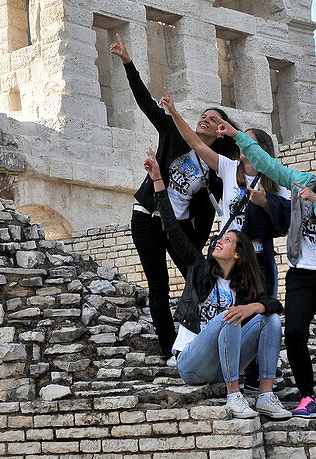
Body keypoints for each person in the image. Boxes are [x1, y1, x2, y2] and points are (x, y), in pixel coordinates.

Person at [217, 119, 316, 430]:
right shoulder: (304, 181)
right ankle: (308, 397)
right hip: (303, 272)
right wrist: (239, 138)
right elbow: (270, 166)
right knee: (295, 332)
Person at [108, 34, 237, 358]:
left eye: (212, 120)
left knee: (200, 277)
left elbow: (216, 206)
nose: (204, 120)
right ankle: (170, 352)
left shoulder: (217, 166)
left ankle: (204, 338)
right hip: (148, 217)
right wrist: (128, 62)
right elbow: (145, 103)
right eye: (203, 116)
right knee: (158, 285)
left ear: (220, 131)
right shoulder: (172, 132)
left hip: (178, 228)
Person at [144, 150, 290, 420]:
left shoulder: (244, 283)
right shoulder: (198, 269)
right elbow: (172, 228)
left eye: (227, 241)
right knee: (230, 316)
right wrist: (157, 180)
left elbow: (274, 304)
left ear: (238, 254)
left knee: (268, 319)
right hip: (192, 362)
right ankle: (234, 396)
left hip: (225, 364)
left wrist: (252, 308)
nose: (218, 241)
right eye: (219, 240)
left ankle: (266, 396)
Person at [157, 88, 288, 293]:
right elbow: (196, 143)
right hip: (228, 253)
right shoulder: (229, 168)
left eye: (249, 141)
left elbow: (286, 224)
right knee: (225, 307)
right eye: (241, 139)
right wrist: (174, 112)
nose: (243, 144)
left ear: (262, 148)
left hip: (258, 254)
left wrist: (265, 202)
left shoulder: (277, 180)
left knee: (259, 307)